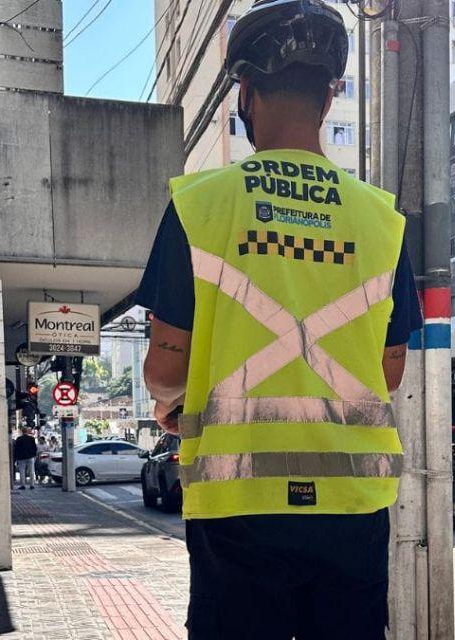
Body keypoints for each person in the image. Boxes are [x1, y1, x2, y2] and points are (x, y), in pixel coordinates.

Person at [138, 2, 422, 637]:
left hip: (237, 506)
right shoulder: (381, 222)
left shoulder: (200, 206)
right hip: (352, 504)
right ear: (329, 97)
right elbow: (390, 367)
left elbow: (165, 364)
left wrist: (172, 404)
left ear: (245, 92)